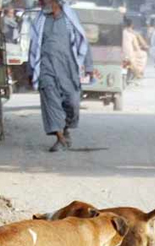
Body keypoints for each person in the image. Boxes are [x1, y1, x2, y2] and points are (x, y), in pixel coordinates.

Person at [29, 0, 93, 152]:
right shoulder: (40, 20)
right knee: (51, 102)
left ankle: (65, 129)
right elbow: (33, 46)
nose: (40, 2)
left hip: (68, 68)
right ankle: (60, 138)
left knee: (72, 102)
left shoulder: (70, 19)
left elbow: (83, 40)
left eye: (44, 0)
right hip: (46, 68)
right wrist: (30, 71)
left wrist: (89, 66)